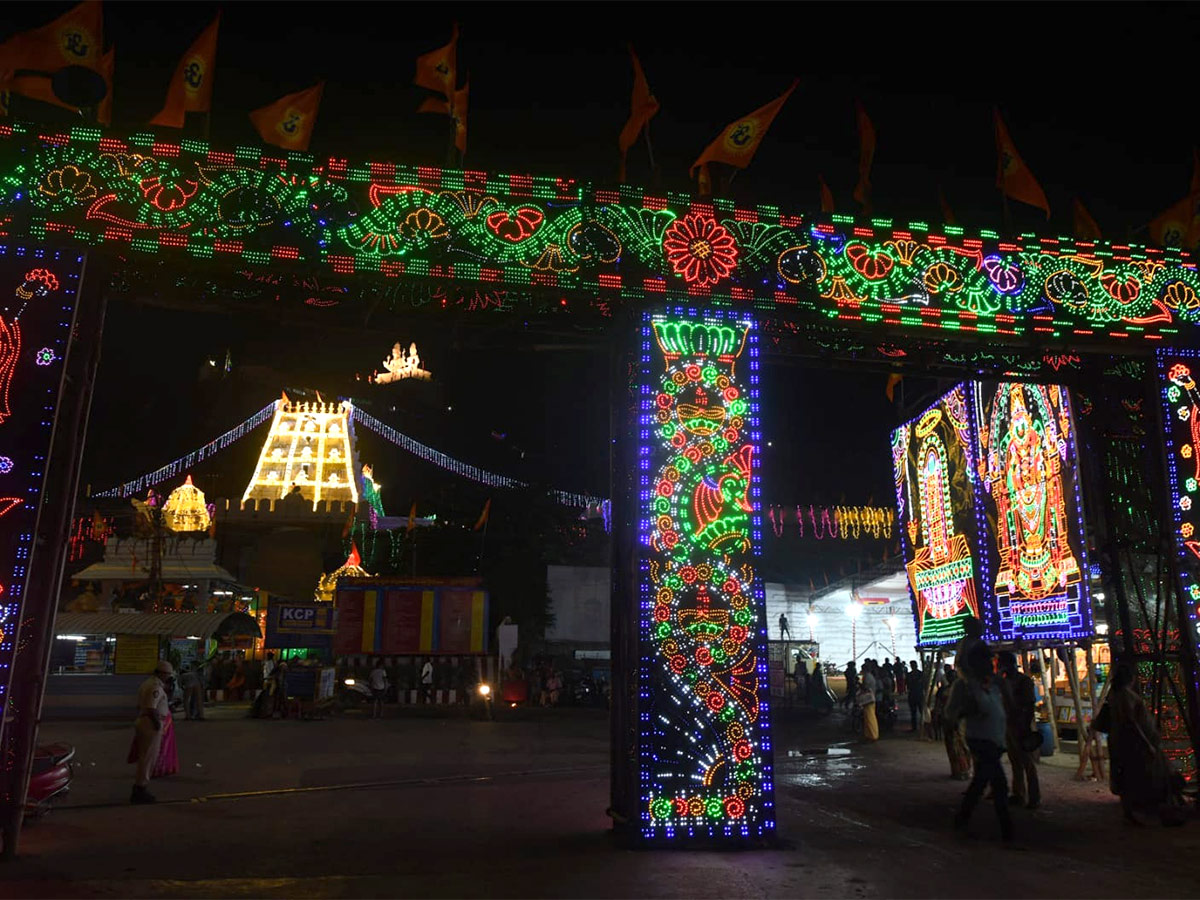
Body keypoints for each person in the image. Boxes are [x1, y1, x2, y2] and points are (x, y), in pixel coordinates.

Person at [1091, 662, 1183, 825]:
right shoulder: (1124, 695)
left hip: (1124, 742)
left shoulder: (1116, 694)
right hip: (1132, 744)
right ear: (1131, 678)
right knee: (1139, 775)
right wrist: (1146, 743)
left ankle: (1134, 811)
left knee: (1129, 776)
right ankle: (1142, 810)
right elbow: (1131, 721)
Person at [948, 642, 1013, 842]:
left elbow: (1008, 704)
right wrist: (966, 712)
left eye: (990, 659)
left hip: (995, 738)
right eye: (985, 660)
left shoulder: (993, 683)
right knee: (999, 785)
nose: (989, 663)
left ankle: (962, 818)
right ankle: (1007, 832)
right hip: (981, 740)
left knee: (981, 782)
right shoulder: (966, 686)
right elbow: (952, 713)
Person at [998, 651, 1041, 809]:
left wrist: (1025, 726)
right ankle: (1019, 794)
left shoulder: (1023, 681)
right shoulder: (1007, 681)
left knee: (1027, 763)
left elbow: (1029, 705)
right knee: (1015, 761)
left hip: (1021, 725)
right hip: (1010, 724)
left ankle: (1034, 797)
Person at [129, 660, 173, 804]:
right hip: (150, 723)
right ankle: (140, 787)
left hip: (144, 721)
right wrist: (158, 726)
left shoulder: (147, 684)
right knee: (148, 758)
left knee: (144, 756)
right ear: (161, 673)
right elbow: (151, 708)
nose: (168, 677)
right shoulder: (155, 687)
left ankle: (140, 786)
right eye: (167, 674)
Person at [939, 667, 971, 778]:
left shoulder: (960, 691)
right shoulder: (945, 690)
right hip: (949, 721)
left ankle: (964, 770)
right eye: (949, 677)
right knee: (952, 746)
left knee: (961, 746)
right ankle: (957, 770)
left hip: (959, 721)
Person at [858, 661, 879, 742]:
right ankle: (870, 734)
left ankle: (872, 735)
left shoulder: (867, 677)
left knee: (870, 718)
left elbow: (865, 687)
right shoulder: (870, 676)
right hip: (871, 698)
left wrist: (860, 684)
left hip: (868, 699)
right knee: (869, 717)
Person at [907, 660, 923, 733]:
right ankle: (919, 726)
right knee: (917, 712)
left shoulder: (910, 675)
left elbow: (908, 685)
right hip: (917, 694)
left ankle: (916, 727)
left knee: (916, 712)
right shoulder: (920, 674)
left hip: (915, 694)